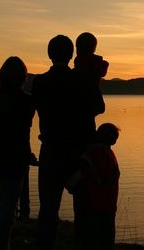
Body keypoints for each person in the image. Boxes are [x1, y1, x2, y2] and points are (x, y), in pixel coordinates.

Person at [33, 35, 103, 250]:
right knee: (82, 210)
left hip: (51, 151)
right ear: (71, 54)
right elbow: (99, 108)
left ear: (49, 54)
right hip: (78, 154)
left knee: (48, 210)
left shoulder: (40, 82)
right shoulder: (82, 79)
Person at [0, 56, 35, 250]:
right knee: (8, 209)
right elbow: (24, 132)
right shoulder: (27, 102)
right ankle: (1, 245)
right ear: (23, 77)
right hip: (14, 158)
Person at [66, 123, 120, 250]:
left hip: (92, 205)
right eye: (115, 138)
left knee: (90, 239)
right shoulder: (107, 155)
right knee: (105, 239)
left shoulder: (89, 154)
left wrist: (70, 186)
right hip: (106, 206)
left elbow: (74, 181)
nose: (116, 141)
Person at [74, 32, 108, 116]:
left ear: (77, 49)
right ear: (94, 49)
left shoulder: (72, 74)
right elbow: (100, 107)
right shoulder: (96, 68)